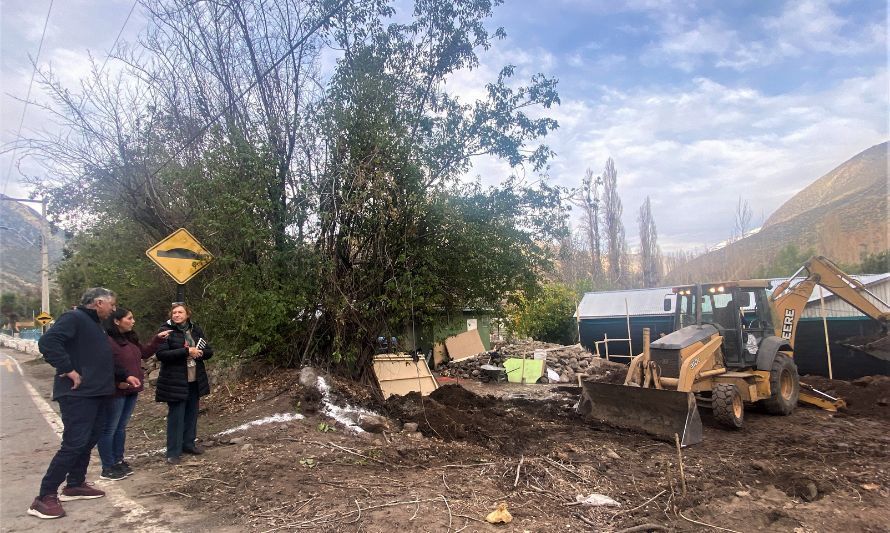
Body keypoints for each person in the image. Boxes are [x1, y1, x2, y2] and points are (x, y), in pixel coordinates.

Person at [29, 288, 140, 520]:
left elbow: (102, 358)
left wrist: (123, 375)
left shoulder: (95, 325)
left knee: (90, 438)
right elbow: (48, 342)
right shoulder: (74, 318)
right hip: (77, 394)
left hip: (98, 392)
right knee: (74, 442)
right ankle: (45, 496)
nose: (113, 308)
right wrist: (68, 369)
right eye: (111, 304)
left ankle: (75, 484)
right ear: (98, 303)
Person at [97, 307, 171, 480]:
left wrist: (157, 340)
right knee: (109, 428)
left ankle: (118, 460)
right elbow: (103, 367)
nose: (133, 321)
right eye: (129, 318)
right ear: (117, 321)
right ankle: (107, 466)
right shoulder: (106, 341)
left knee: (121, 427)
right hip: (116, 391)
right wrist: (118, 382)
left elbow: (144, 353)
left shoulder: (129, 339)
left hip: (132, 389)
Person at [155, 302, 213, 465]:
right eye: (174, 313)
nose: (177, 315)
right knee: (176, 416)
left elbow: (209, 351)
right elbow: (161, 354)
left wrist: (200, 353)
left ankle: (189, 444)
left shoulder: (195, 329)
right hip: (175, 380)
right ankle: (173, 452)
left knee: (192, 413)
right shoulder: (165, 331)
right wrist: (186, 351)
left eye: (180, 312)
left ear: (187, 314)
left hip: (194, 378)